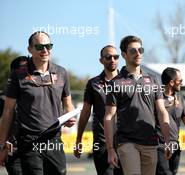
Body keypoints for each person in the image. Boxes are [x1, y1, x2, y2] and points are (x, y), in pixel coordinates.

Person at [0, 31, 76, 175]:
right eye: (40, 46)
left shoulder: (61, 72)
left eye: (48, 46)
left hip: (54, 139)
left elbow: (68, 104)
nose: (45, 50)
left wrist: (70, 116)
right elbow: (8, 112)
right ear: (30, 49)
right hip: (29, 141)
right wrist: (2, 145)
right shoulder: (18, 74)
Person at [104, 35, 171, 175]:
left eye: (140, 50)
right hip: (127, 142)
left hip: (151, 142)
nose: (138, 53)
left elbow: (161, 111)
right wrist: (110, 150)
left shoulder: (153, 80)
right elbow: (109, 117)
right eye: (133, 51)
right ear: (124, 54)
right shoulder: (115, 83)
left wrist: (167, 140)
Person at [74, 45, 123, 175]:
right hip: (102, 143)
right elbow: (85, 113)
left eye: (115, 57)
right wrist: (78, 139)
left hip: (126, 141)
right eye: (108, 57)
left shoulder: (127, 81)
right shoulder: (93, 83)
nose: (112, 60)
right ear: (101, 60)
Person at [156, 67, 185, 175]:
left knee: (173, 172)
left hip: (175, 145)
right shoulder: (156, 97)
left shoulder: (180, 98)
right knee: (165, 173)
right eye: (180, 81)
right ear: (171, 82)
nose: (181, 83)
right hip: (159, 145)